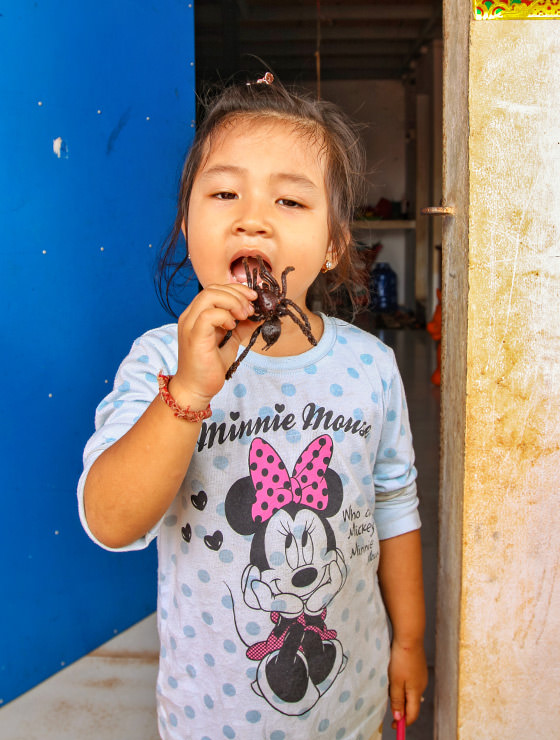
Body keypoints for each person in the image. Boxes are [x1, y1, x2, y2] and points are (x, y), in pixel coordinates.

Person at [78, 73, 427, 740]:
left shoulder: (369, 367)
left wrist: (407, 641)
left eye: (290, 200)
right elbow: (112, 521)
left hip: (349, 708)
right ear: (187, 224)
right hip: (211, 720)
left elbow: (393, 505)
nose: (252, 217)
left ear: (333, 246)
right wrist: (188, 392)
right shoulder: (161, 363)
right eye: (225, 192)